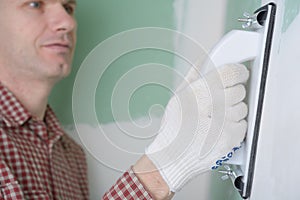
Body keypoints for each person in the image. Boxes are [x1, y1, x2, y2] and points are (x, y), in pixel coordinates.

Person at [0, 0, 249, 199]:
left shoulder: (70, 155)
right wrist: (163, 170)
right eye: (35, 4)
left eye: (68, 7)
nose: (67, 22)